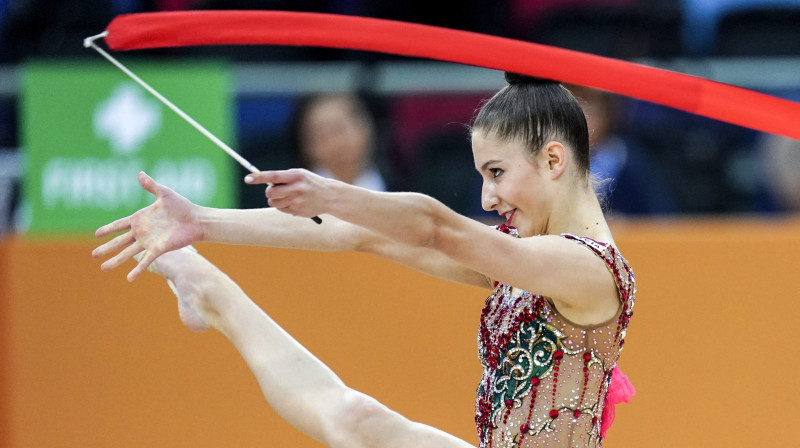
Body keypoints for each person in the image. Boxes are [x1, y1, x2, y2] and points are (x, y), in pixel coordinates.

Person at [94, 73, 636, 447]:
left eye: (495, 172)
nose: (487, 198)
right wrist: (205, 222)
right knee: (353, 420)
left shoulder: (589, 269)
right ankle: (207, 289)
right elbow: (361, 233)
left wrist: (331, 191)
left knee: (355, 422)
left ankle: (210, 295)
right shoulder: (523, 259)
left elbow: (435, 226)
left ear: (554, 160)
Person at [291, 92, 389, 191]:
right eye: (323, 135)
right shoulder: (292, 196)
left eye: (339, 130)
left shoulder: (399, 188)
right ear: (308, 146)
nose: (335, 143)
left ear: (364, 130)